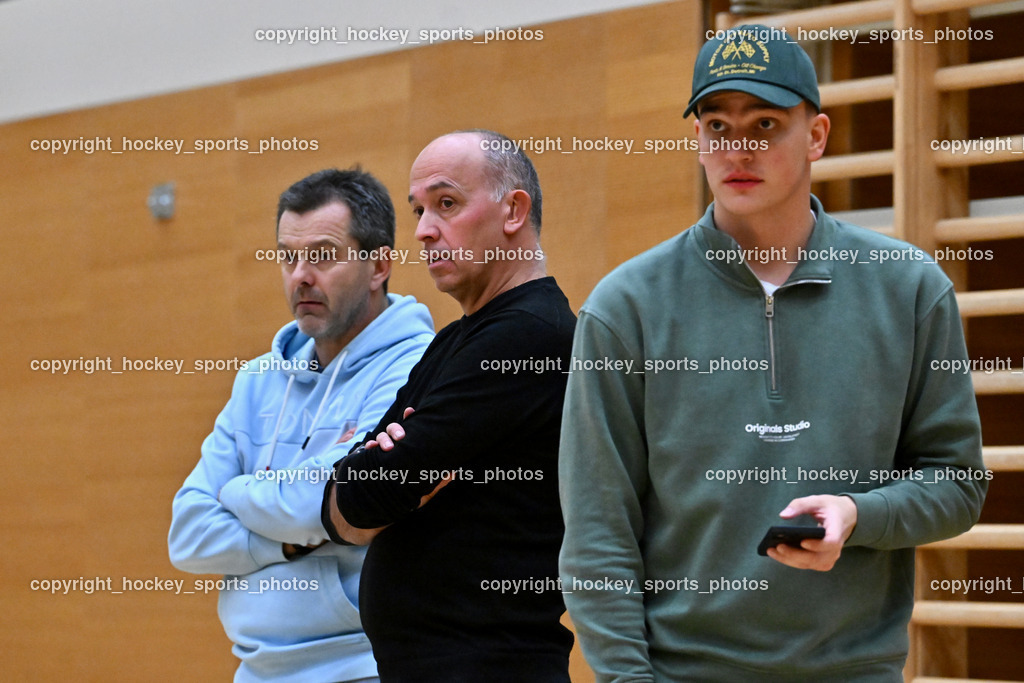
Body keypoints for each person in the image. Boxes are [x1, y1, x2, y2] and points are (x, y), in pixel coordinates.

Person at [558, 25, 988, 681]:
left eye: (764, 124)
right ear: (697, 139)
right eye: (718, 126)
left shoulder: (911, 290)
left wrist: (858, 512)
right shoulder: (624, 308)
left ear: (816, 136)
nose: (739, 148)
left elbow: (957, 483)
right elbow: (597, 535)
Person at [320, 130, 576, 682]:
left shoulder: (527, 337)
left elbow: (371, 494)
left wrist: (385, 479)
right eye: (418, 210)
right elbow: (346, 501)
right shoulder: (455, 340)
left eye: (446, 204)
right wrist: (382, 478)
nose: (423, 231)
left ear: (513, 210)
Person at [168, 168, 434, 683]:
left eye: (322, 256)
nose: (300, 276)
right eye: (289, 257)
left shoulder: (415, 367)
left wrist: (241, 493)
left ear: (379, 264)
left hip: (364, 666)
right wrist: (288, 541)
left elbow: (348, 496)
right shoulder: (258, 380)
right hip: (255, 669)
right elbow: (189, 534)